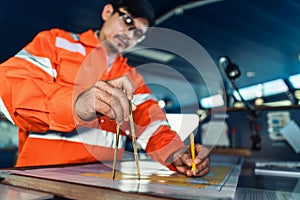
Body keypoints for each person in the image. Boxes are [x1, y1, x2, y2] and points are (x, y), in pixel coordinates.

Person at [0, 0, 210, 177]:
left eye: (138, 34)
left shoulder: (132, 77)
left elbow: (151, 124)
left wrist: (176, 153)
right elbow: (9, 85)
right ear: (107, 12)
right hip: (41, 176)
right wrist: (75, 104)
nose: (130, 35)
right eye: (127, 21)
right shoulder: (56, 43)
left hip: (101, 182)